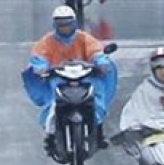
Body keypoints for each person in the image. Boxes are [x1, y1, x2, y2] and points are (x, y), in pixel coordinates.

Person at [23, 5, 116, 155]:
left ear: (74, 23)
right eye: (61, 25)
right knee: (52, 102)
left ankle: (98, 131)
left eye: (67, 24)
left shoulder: (83, 38)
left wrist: (101, 63)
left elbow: (96, 52)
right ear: (55, 25)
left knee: (97, 97)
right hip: (59, 79)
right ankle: (51, 135)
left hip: (84, 77)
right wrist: (41, 67)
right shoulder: (47, 41)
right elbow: (39, 56)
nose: (65, 28)